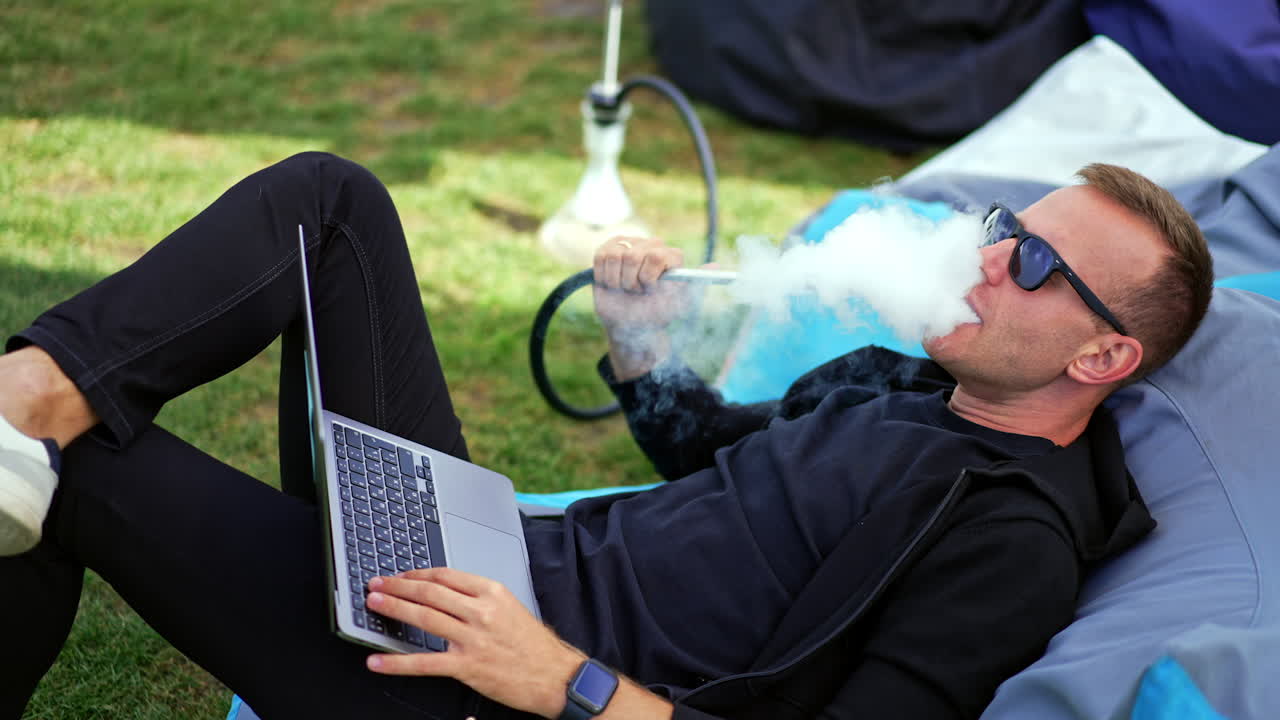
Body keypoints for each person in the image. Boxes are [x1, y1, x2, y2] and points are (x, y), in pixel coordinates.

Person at [0, 152, 1213, 720]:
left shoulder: (1012, 539)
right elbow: (716, 459)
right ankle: (26, 397)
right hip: (492, 564)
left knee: (65, 469)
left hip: (487, 688)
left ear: (1099, 356)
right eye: (1007, 223)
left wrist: (562, 681)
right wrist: (640, 342)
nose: (991, 252)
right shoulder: (904, 380)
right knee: (331, 206)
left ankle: (23, 416)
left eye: (1037, 263)